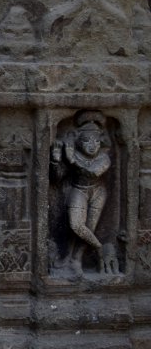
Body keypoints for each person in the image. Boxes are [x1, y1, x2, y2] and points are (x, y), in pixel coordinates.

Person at [51, 110, 116, 275]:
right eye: (86, 140)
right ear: (78, 141)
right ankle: (100, 249)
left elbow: (93, 173)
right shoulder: (73, 154)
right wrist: (56, 158)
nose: (92, 145)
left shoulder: (103, 159)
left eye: (96, 141)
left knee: (88, 228)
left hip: (98, 192)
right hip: (79, 189)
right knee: (77, 226)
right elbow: (57, 178)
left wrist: (72, 158)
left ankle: (76, 261)